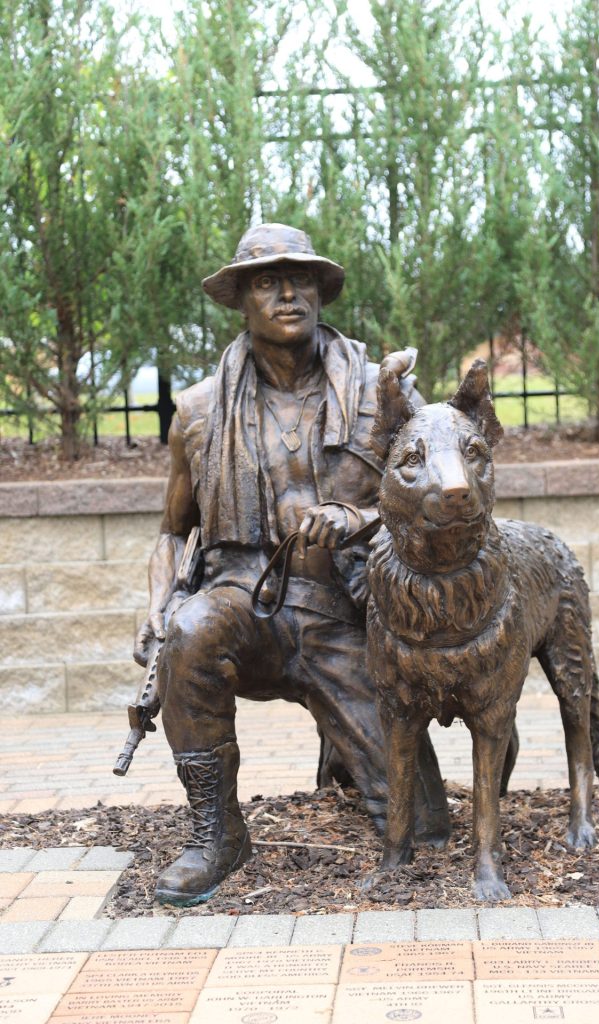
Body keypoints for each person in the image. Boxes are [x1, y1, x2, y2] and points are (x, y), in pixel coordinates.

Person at [134, 223, 449, 906]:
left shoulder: (381, 393)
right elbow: (170, 533)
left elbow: (440, 498)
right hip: (243, 601)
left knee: (424, 828)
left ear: (318, 291)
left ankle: (348, 751)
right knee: (192, 630)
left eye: (299, 280)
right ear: (240, 298)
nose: (287, 293)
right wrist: (157, 606)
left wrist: (358, 517)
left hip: (344, 609)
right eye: (267, 282)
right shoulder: (197, 410)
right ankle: (216, 832)